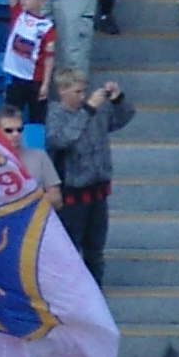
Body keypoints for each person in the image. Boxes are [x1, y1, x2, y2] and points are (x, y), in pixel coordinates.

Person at [44, 71, 130, 283]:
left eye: (84, 91)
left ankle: (96, 291)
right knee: (71, 248)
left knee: (95, 250)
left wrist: (118, 99)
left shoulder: (97, 112)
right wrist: (88, 110)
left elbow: (123, 119)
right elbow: (61, 140)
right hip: (73, 193)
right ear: (62, 90)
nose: (83, 96)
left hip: (98, 189)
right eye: (77, 92)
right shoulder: (56, 114)